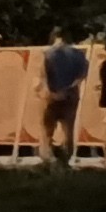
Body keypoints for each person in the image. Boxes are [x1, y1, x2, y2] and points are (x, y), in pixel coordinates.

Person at [42, 29, 90, 165]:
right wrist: (69, 88)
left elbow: (44, 75)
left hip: (52, 95)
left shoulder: (48, 54)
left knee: (47, 129)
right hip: (71, 96)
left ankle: (48, 159)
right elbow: (82, 76)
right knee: (68, 129)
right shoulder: (79, 55)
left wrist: (52, 92)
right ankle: (66, 159)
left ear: (55, 37)